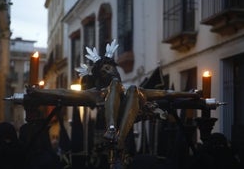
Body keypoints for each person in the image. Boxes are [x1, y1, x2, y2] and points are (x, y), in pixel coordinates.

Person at [24, 39, 202, 150]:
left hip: (126, 122)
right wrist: (39, 91)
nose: (110, 71)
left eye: (111, 67)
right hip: (110, 120)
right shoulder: (96, 93)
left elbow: (165, 93)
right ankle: (112, 131)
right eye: (105, 70)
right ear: (100, 77)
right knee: (122, 87)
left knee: (134, 90)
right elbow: (64, 92)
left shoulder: (133, 90)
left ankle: (118, 137)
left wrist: (191, 95)